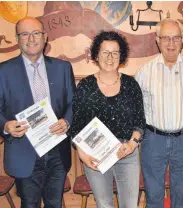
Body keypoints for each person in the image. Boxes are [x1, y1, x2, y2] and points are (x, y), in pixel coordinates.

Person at [0, 17, 75, 207]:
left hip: (57, 151)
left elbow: (74, 104)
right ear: (17, 39)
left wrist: (67, 121)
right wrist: (5, 126)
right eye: (24, 34)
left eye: (36, 33)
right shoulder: (2, 71)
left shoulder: (63, 68)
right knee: (29, 204)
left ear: (45, 37)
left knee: (55, 203)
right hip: (24, 152)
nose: (31, 39)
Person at [71, 31, 146, 208]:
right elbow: (76, 126)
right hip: (95, 155)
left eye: (115, 52)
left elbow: (140, 122)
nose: (110, 57)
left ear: (122, 56)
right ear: (96, 55)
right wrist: (83, 155)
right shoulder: (85, 86)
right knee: (104, 204)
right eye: (105, 52)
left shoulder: (131, 85)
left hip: (126, 153)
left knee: (130, 205)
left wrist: (132, 144)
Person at [135, 19, 183, 208]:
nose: (171, 43)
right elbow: (137, 111)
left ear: (182, 40)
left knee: (181, 196)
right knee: (153, 195)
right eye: (166, 38)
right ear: (157, 40)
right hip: (153, 140)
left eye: (176, 38)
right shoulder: (144, 73)